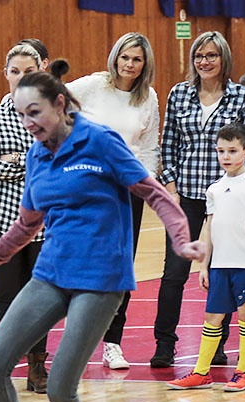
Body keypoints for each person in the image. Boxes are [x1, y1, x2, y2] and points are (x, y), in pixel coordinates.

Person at [0, 72, 203, 402]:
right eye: (21, 114)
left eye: (35, 112)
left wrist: (181, 240)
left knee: (60, 388)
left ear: (61, 105)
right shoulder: (37, 157)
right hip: (52, 273)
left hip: (101, 279)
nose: (28, 121)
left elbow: (155, 194)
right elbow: (25, 226)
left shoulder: (100, 141)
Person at [154, 31, 245, 368]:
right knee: (174, 273)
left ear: (223, 59)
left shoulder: (240, 96)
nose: (204, 61)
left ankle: (217, 346)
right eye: (199, 56)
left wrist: (243, 194)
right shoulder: (179, 94)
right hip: (186, 197)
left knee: (221, 271)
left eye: (211, 55)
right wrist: (170, 185)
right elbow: (167, 144)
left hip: (225, 200)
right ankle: (164, 344)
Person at [67, 32, 160, 370]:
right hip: (87, 190)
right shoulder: (93, 86)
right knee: (81, 266)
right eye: (125, 57)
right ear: (115, 57)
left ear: (145, 64)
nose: (129, 65)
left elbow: (149, 147)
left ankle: (112, 342)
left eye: (137, 59)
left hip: (125, 194)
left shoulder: (147, 97)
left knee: (120, 269)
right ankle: (76, 341)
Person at [167, 123, 245, 392]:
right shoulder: (214, 188)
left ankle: (243, 372)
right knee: (212, 318)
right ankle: (201, 372)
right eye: (220, 151)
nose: (225, 156)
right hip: (219, 266)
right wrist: (204, 265)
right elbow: (209, 226)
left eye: (232, 150)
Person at [0, 42, 49, 399]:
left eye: (28, 71)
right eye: (15, 71)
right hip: (3, 220)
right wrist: (31, 158)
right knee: (5, 295)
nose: (21, 77)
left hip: (45, 222)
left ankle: (37, 367)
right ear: (5, 74)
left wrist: (16, 159)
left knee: (41, 297)